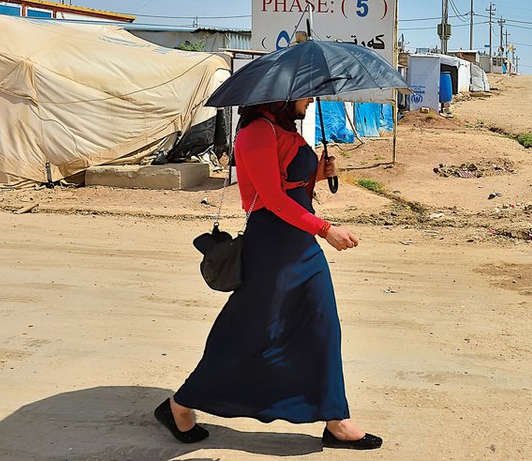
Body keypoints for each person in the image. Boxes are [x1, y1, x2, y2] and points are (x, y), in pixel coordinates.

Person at [154, 98, 382, 450]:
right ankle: (179, 405)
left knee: (323, 324)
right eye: (303, 96)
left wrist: (318, 175)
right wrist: (325, 229)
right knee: (250, 332)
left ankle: (336, 419)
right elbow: (271, 199)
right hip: (273, 246)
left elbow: (291, 185)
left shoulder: (284, 130)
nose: (308, 101)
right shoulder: (257, 131)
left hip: (300, 245)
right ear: (282, 99)